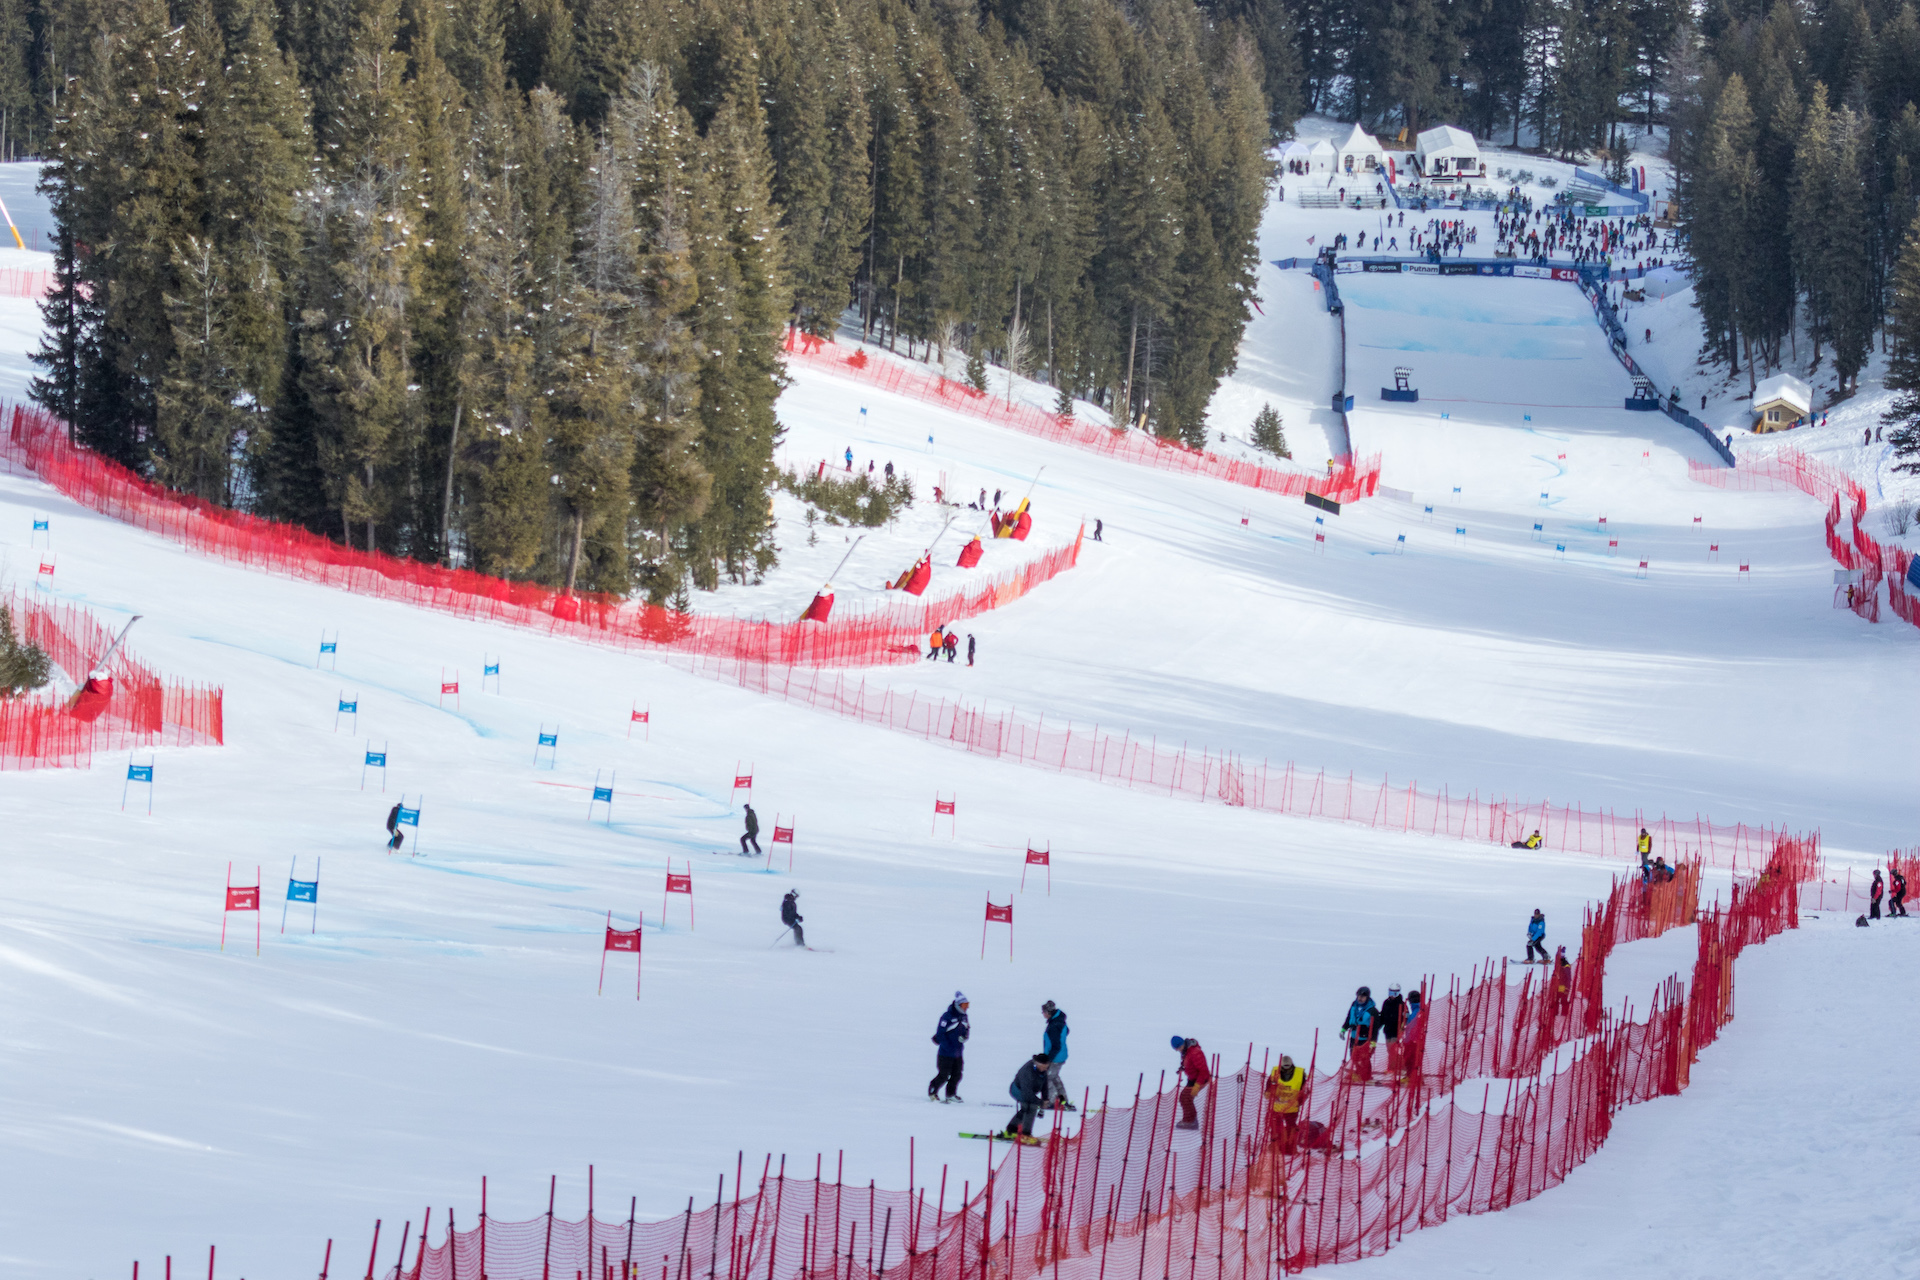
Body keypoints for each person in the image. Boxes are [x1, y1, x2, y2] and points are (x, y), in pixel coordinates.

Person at [929, 992, 970, 1102]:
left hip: (958, 1053)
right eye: (964, 1005)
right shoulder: (947, 1017)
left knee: (957, 1075)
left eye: (967, 1005)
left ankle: (950, 1094)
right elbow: (940, 1034)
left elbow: (967, 1030)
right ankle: (933, 1091)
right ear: (958, 1005)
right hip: (946, 1053)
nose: (966, 1008)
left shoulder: (964, 1017)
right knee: (943, 1075)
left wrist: (965, 1037)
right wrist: (948, 1045)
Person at [1264, 1054, 1306, 1151]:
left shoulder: (1299, 1074)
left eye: (1288, 1068)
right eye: (1284, 1068)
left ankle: (1290, 1146)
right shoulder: (1274, 1073)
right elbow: (1268, 1089)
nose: (1286, 1070)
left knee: (1290, 1127)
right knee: (1275, 1126)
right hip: (1276, 1107)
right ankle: (1276, 1145)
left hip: (1292, 1108)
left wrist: (1299, 1101)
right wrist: (1269, 1094)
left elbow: (1304, 1090)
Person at [1038, 1001, 1073, 1109]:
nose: (1042, 1014)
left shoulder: (1054, 1026)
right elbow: (1067, 1031)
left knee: (1048, 1078)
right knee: (1054, 1078)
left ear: (1048, 1012)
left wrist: (1048, 1060)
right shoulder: (1059, 1021)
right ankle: (1063, 1101)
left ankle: (1052, 1102)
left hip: (1055, 1057)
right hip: (1060, 1055)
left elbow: (1055, 1046)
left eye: (1043, 1012)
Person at [1007, 1053, 1050, 1138]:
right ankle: (1026, 1133)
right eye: (1043, 1066)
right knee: (1031, 1107)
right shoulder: (1027, 1071)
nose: (1045, 1069)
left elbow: (1045, 1085)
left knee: (1026, 1108)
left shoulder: (1043, 1070)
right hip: (1018, 1090)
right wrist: (1040, 1102)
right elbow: (1027, 1093)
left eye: (1046, 1066)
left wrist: (1045, 1099)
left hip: (1030, 1091)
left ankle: (1012, 1128)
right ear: (1037, 1064)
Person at [1172, 1036, 1211, 1128]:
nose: (1178, 1050)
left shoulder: (1195, 1053)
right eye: (1176, 1049)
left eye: (1179, 1048)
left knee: (1185, 1098)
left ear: (1183, 1044)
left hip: (1201, 1079)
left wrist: (1197, 1085)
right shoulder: (1186, 1051)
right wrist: (1183, 1067)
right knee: (1185, 1098)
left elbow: (1203, 1071)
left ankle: (1190, 1121)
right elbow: (1188, 1061)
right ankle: (1190, 1119)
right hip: (1192, 1078)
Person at [1340, 989, 1377, 1083]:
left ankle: (1366, 1076)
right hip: (1353, 1037)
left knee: (1364, 1058)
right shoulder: (1354, 1005)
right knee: (1354, 1056)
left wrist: (1373, 1041)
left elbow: (1375, 1027)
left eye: (1363, 997)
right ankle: (1359, 1073)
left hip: (1364, 1039)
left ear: (1367, 997)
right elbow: (1349, 1017)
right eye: (1359, 996)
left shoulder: (1372, 1010)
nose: (1360, 998)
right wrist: (1344, 1028)